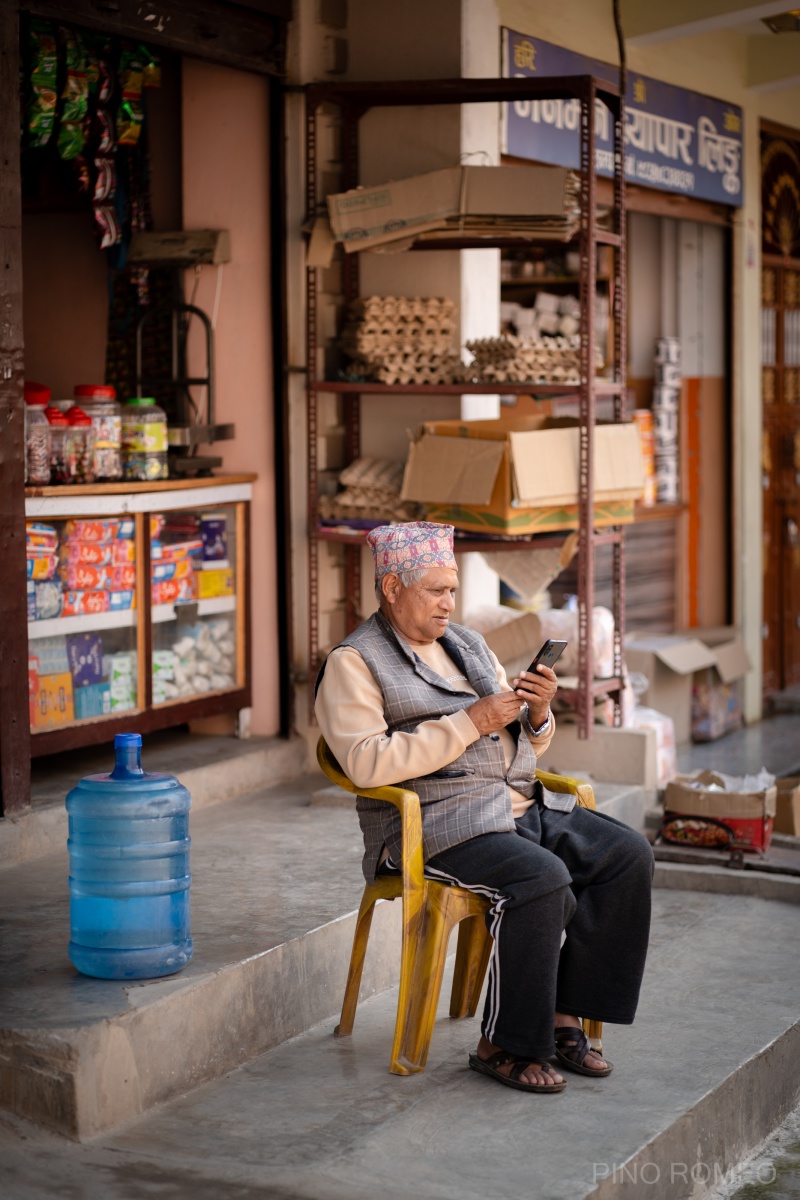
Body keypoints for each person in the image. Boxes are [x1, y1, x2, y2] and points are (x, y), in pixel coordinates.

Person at [315, 521, 654, 1094]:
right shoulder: (355, 661)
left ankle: (563, 1012)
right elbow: (365, 764)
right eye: (435, 590)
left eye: (452, 589)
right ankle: (504, 1044)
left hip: (515, 802)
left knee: (626, 855)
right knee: (542, 879)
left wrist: (538, 716)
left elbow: (517, 739)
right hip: (439, 823)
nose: (449, 603)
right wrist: (470, 721)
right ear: (392, 587)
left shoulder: (467, 643)